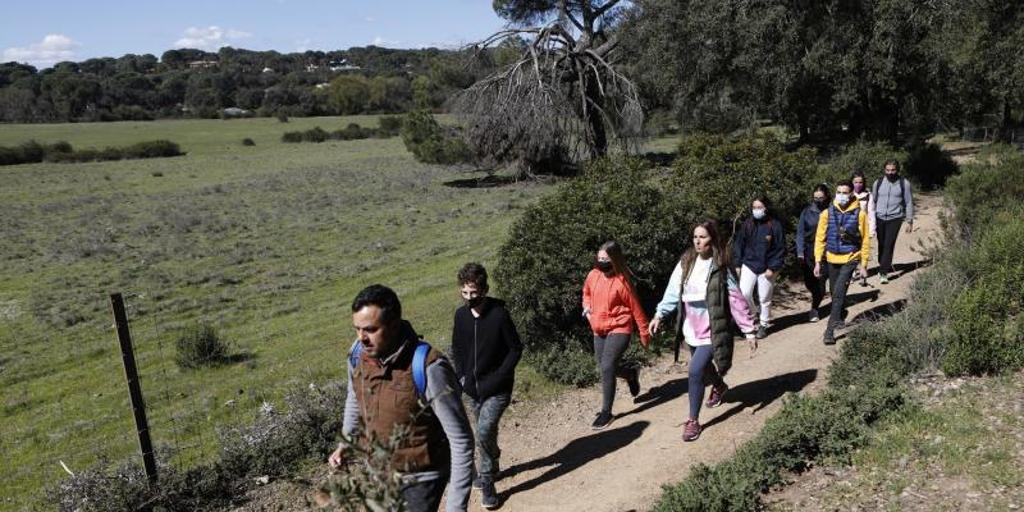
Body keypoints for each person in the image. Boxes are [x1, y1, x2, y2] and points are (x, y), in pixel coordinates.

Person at [329, 285, 474, 512]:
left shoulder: (428, 367)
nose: (361, 338)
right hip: (377, 473)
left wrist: (456, 507)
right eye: (357, 329)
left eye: (370, 329)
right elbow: (354, 397)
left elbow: (461, 440)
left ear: (394, 324)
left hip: (420, 480)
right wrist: (345, 443)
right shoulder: (357, 354)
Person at [649, 220, 757, 442]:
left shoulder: (720, 266)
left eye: (703, 237)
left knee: (695, 370)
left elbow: (736, 299)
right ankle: (718, 385)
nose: (698, 241)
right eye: (695, 237)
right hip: (691, 328)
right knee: (705, 367)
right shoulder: (686, 263)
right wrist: (659, 314)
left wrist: (749, 330)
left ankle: (693, 420)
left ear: (713, 239)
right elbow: (672, 291)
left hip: (713, 329)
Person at [450, 263, 523, 510]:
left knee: (483, 432)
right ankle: (493, 460)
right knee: (485, 434)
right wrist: (461, 378)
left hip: (498, 388)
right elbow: (457, 349)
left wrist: (500, 377)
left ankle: (488, 481)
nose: (470, 298)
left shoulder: (499, 315)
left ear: (485, 289)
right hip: (471, 388)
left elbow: (515, 348)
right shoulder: (460, 316)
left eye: (474, 293)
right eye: (465, 293)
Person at [582, 240, 651, 430]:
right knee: (604, 366)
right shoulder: (593, 275)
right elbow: (586, 293)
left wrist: (644, 333)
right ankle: (630, 373)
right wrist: (587, 310)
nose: (601, 262)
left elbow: (636, 309)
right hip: (598, 328)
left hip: (620, 328)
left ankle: (606, 412)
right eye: (599, 258)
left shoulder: (622, 282)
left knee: (606, 366)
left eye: (605, 259)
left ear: (615, 260)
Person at [813, 180, 871, 345]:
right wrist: (818, 261)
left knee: (838, 294)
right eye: (839, 192)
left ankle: (829, 331)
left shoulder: (860, 214)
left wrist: (864, 264)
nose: (841, 195)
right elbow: (820, 238)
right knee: (834, 293)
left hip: (850, 258)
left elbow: (865, 240)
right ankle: (837, 318)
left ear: (852, 194)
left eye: (845, 192)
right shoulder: (827, 213)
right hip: (831, 258)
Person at [732, 197, 785, 339]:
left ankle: (764, 324)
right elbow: (739, 245)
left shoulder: (775, 225)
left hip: (767, 267)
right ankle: (753, 315)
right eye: (754, 207)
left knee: (764, 297)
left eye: (759, 207)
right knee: (744, 293)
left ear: (766, 208)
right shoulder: (747, 224)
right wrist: (737, 264)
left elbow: (780, 248)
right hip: (749, 264)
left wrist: (773, 267)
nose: (757, 210)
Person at [867, 159, 914, 284]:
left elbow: (908, 202)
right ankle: (883, 264)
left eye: (893, 170)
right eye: (888, 170)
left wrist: (909, 220)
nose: (890, 172)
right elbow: (873, 201)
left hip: (895, 218)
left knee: (889, 244)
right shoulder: (878, 182)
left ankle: (883, 272)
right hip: (879, 217)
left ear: (897, 170)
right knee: (881, 244)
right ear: (884, 170)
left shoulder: (904, 183)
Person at [796, 185, 831, 322]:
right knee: (810, 282)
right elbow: (800, 232)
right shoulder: (807, 211)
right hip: (808, 251)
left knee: (820, 283)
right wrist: (800, 252)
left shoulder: (832, 210)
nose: (818, 201)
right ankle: (817, 296)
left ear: (826, 197)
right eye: (815, 198)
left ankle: (815, 308)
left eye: (821, 198)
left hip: (826, 251)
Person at [851, 170, 877, 238]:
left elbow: (871, 213)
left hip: (863, 228)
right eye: (855, 182)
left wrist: (872, 231)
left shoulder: (868, 195)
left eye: (860, 182)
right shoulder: (847, 194)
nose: (858, 185)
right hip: (850, 228)